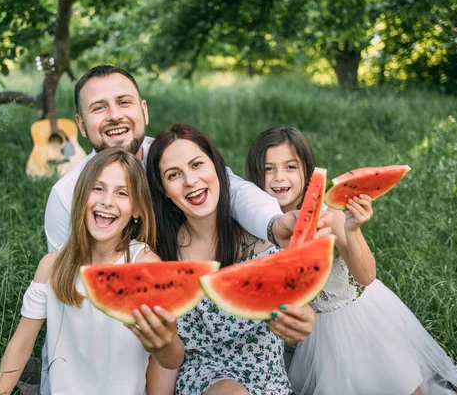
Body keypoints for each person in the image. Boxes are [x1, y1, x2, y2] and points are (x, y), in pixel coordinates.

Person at [41, 65, 333, 393]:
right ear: (80, 124)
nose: (114, 115)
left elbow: (235, 191)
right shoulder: (66, 196)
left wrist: (273, 223)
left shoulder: (167, 154)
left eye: (124, 102)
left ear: (143, 109)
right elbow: (73, 294)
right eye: (98, 108)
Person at [245, 126, 457, 395]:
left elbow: (366, 276)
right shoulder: (260, 226)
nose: (279, 177)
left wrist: (352, 230)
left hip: (362, 316)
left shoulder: (329, 217)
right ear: (255, 174)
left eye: (290, 167)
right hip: (317, 334)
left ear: (307, 171)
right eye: (269, 169)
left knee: (407, 388)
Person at [0, 148, 184, 395]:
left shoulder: (146, 268)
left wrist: (165, 341)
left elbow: (171, 359)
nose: (107, 201)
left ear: (137, 210)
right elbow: (20, 346)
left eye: (122, 193)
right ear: (81, 195)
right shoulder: (52, 265)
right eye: (98, 188)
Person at [146, 123, 316, 395]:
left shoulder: (261, 239)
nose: (191, 180)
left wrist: (303, 319)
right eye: (174, 175)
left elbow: (297, 306)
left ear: (217, 168)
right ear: (164, 190)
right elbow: (163, 355)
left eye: (197, 165)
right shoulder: (161, 256)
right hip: (204, 381)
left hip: (271, 384)